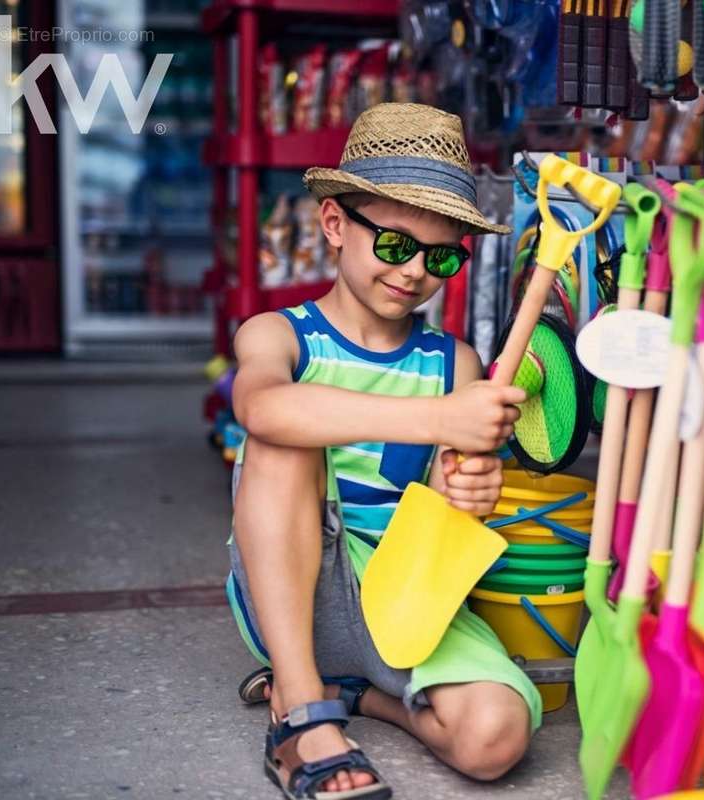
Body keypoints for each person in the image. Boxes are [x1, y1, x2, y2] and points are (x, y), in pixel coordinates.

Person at [226, 103, 541, 800]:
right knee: (284, 434)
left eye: (442, 256)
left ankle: (358, 697)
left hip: (403, 597)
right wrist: (440, 418)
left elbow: (446, 503)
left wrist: (470, 491)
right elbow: (262, 408)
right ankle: (301, 711)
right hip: (299, 597)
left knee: (495, 736)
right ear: (335, 224)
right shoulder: (277, 335)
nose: (415, 272)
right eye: (396, 244)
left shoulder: (453, 361)